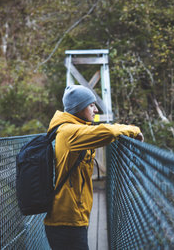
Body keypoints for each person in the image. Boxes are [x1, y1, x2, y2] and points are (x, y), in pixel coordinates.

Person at [44, 85, 143, 250]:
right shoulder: (69, 132)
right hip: (66, 221)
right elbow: (108, 133)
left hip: (73, 217)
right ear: (78, 108)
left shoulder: (75, 130)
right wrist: (134, 130)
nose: (96, 110)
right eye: (91, 105)